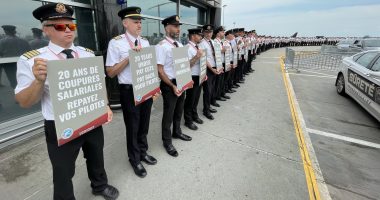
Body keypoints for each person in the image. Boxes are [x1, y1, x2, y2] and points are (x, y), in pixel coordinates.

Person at [14, 3, 119, 200]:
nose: (68, 30)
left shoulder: (87, 53)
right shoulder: (33, 61)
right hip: (60, 124)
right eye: (60, 27)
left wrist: (105, 105)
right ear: (46, 30)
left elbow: (99, 83)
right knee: (63, 170)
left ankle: (99, 185)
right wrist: (38, 81)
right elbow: (24, 101)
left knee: (96, 156)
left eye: (71, 26)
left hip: (90, 116)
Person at [105, 6, 159, 178]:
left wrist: (154, 88)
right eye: (135, 21)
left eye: (140, 21)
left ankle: (143, 152)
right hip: (129, 91)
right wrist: (129, 58)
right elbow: (110, 72)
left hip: (145, 87)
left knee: (144, 123)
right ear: (125, 23)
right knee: (133, 126)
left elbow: (150, 67)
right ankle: (134, 159)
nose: (139, 24)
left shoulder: (145, 42)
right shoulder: (116, 43)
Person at [156, 15, 192, 157]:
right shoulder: (162, 46)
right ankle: (167, 141)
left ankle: (177, 132)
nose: (178, 29)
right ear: (167, 27)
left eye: (179, 26)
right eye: (175, 26)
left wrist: (188, 79)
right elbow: (160, 70)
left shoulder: (180, 45)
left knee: (179, 110)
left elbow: (183, 65)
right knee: (169, 114)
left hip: (181, 82)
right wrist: (172, 86)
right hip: (169, 84)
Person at [183, 28, 204, 131]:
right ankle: (188, 120)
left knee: (196, 99)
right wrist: (197, 56)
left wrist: (204, 73)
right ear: (193, 35)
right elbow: (186, 65)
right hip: (192, 76)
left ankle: (194, 115)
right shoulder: (187, 48)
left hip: (199, 75)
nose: (201, 37)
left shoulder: (197, 47)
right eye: (199, 35)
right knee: (190, 100)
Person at [200, 24, 220, 120]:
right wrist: (212, 69)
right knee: (207, 91)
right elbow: (204, 59)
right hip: (208, 69)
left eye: (210, 32)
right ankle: (206, 110)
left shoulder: (212, 42)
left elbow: (216, 56)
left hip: (215, 68)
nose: (209, 34)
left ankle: (208, 106)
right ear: (203, 32)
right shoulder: (201, 43)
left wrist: (219, 66)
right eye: (207, 32)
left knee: (211, 89)